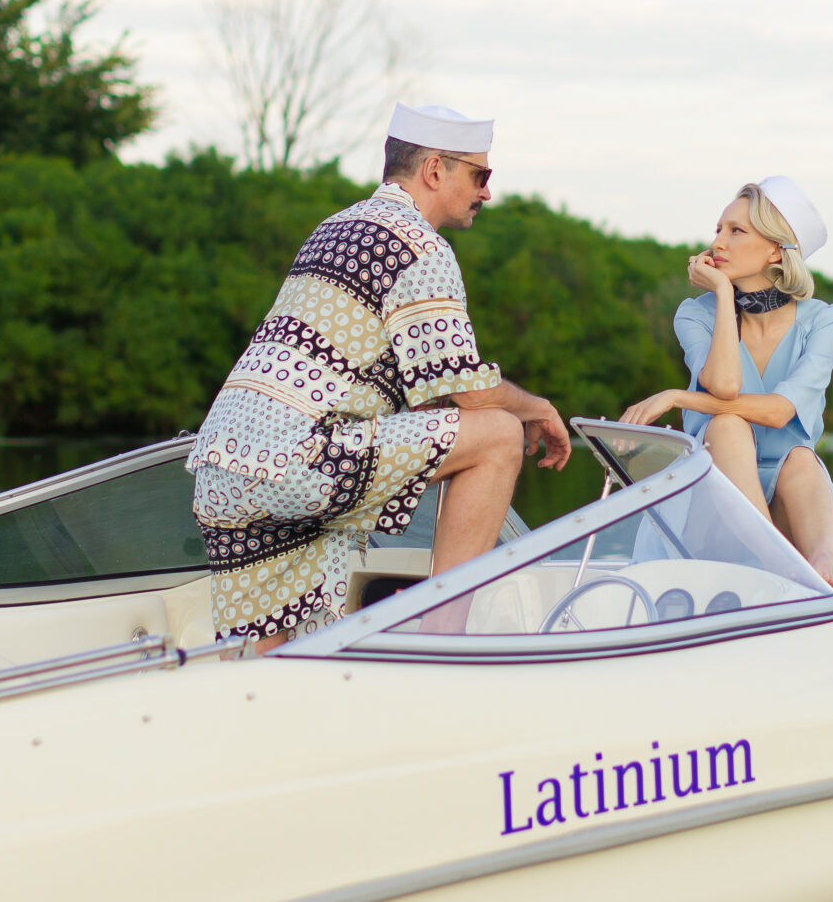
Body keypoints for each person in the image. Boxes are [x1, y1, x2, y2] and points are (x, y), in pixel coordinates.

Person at [189, 102, 572, 650]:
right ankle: (443, 638)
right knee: (498, 434)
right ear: (435, 169)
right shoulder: (419, 246)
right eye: (480, 174)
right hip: (296, 461)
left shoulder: (336, 226)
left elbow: (416, 397)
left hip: (221, 467)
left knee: (281, 660)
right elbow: (466, 391)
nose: (487, 192)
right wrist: (538, 409)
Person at [618, 176, 833, 587]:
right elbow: (725, 385)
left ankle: (823, 568)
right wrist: (724, 296)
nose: (718, 243)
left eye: (736, 231)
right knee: (728, 427)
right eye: (718, 229)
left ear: (775, 249)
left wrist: (680, 397)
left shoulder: (824, 320)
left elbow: (781, 412)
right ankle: (778, 565)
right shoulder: (696, 314)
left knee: (800, 456)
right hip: (711, 501)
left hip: (796, 498)